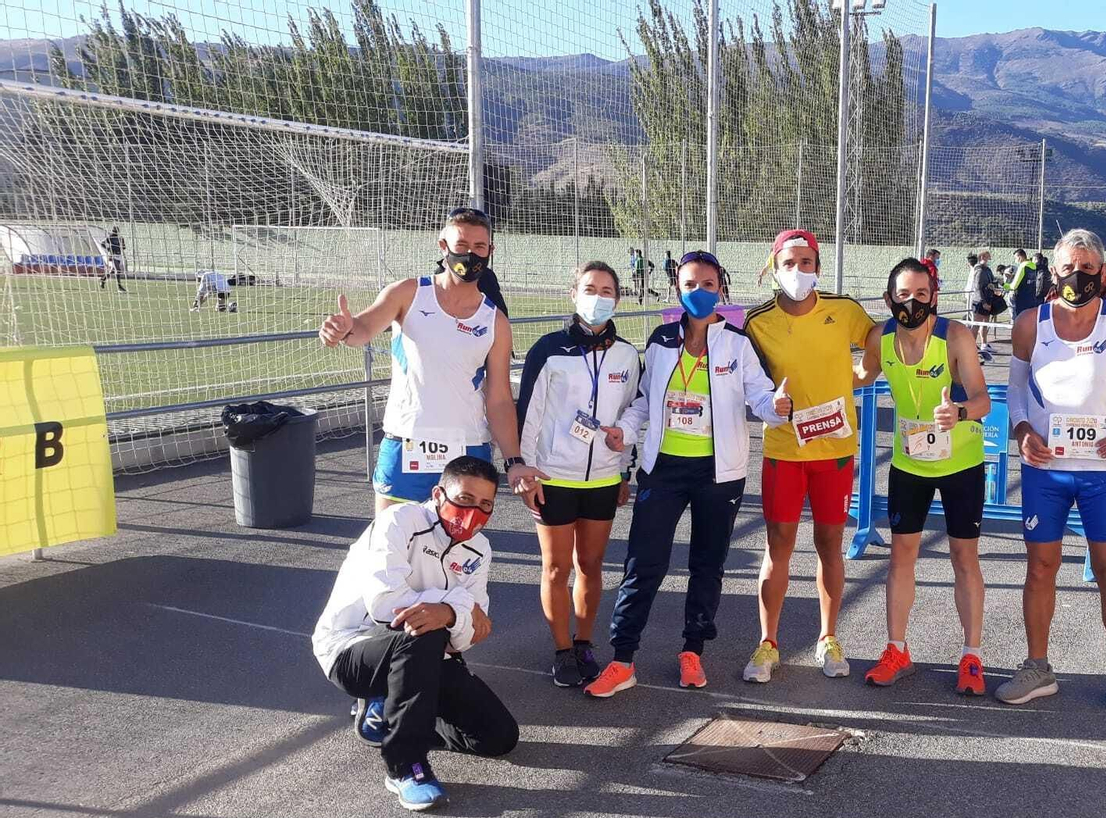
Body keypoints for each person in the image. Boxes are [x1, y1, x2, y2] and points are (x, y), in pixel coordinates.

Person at [582, 251, 792, 697]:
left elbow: (760, 396)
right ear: (678, 288)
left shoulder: (737, 343)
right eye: (690, 284)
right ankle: (622, 660)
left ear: (722, 289)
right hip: (663, 469)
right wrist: (625, 429)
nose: (699, 292)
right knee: (643, 564)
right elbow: (641, 400)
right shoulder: (660, 340)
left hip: (719, 474)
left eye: (708, 284)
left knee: (707, 565)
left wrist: (776, 409)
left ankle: (692, 652)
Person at [998, 228, 1106, 719]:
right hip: (1046, 470)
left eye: (1089, 268)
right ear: (1054, 272)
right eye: (1069, 267)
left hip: (1102, 471)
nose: (1079, 276)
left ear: (1105, 273)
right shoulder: (1032, 323)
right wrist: (1023, 428)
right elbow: (1015, 388)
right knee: (1040, 568)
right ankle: (1037, 667)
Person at [312, 455, 519, 812]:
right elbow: (384, 605)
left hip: (429, 654)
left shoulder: (480, 549)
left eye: (485, 505)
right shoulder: (399, 520)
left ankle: (393, 712)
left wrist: (451, 614)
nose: (473, 514)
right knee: (422, 630)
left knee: (498, 737)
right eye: (464, 500)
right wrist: (456, 607)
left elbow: (470, 637)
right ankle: (405, 766)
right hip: (352, 648)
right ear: (438, 494)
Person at [318, 207, 539, 515]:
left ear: (490, 251)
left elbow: (500, 399)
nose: (470, 255)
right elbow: (364, 328)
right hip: (407, 442)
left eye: (479, 247)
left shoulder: (495, 322)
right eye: (461, 246)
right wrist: (345, 329)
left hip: (468, 448)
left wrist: (514, 461)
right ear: (443, 246)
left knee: (457, 552)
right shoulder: (409, 293)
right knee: (391, 550)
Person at [742, 229, 875, 683]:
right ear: (773, 267)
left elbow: (876, 338)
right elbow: (745, 378)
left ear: (818, 264)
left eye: (807, 262)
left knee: (829, 544)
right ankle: (768, 643)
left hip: (835, 451)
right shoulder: (757, 322)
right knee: (778, 545)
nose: (799, 271)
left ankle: (828, 637)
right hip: (784, 450)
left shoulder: (844, 309)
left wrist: (861, 374)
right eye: (789, 263)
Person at [855, 258, 992, 694]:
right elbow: (861, 376)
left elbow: (984, 399)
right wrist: (811, 380)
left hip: (960, 464)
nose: (911, 303)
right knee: (901, 558)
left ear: (934, 296)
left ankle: (971, 655)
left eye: (919, 294)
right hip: (908, 465)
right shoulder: (880, 336)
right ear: (888, 298)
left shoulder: (955, 336)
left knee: (963, 558)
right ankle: (897, 649)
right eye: (902, 295)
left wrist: (960, 412)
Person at [514, 261, 640, 688]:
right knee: (555, 569)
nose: (598, 297)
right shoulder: (547, 349)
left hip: (603, 478)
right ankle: (562, 651)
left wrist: (625, 472)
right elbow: (528, 414)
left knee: (590, 565)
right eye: (590, 288)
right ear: (573, 294)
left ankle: (585, 643)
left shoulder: (626, 355)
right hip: (553, 476)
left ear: (618, 299)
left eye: (607, 290)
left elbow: (629, 417)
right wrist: (522, 469)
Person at [1007, 248, 1041, 320]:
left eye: (1016, 258)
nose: (1015, 260)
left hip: (1022, 299)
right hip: (1032, 297)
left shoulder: (1022, 266)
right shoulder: (1033, 265)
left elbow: (1014, 286)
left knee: (1020, 320)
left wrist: (1004, 285)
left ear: (1020, 257)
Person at [99, 226, 127, 292]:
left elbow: (124, 247)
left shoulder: (120, 238)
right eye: (114, 231)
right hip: (112, 255)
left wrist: (121, 245)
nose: (114, 233)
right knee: (118, 270)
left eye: (116, 231)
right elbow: (102, 243)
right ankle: (119, 287)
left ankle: (103, 280)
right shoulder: (110, 237)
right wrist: (108, 249)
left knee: (112, 271)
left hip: (119, 255)